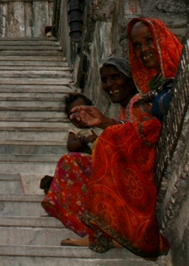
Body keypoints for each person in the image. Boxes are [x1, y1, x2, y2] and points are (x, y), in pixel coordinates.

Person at [48, 19, 183, 259]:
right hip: (136, 164)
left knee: (110, 140)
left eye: (149, 41)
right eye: (137, 46)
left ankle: (115, 231)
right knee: (72, 164)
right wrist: (103, 123)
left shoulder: (168, 79)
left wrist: (106, 126)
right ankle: (105, 229)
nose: (143, 50)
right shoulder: (138, 97)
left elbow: (147, 129)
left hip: (148, 165)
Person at [42, 56, 138, 243]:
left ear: (129, 77)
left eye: (115, 77)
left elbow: (137, 139)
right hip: (120, 172)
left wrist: (104, 125)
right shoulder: (123, 110)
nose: (110, 85)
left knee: (70, 164)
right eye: (104, 80)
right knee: (69, 165)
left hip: (133, 177)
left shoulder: (138, 103)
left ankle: (100, 231)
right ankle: (96, 230)